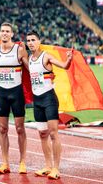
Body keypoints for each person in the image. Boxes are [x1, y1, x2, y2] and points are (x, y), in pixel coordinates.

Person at [26, 30, 73, 180]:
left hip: (49, 99)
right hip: (37, 101)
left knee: (53, 133)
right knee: (42, 134)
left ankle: (56, 168)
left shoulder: (45, 56)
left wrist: (69, 59)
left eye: (33, 40)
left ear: (39, 41)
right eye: (28, 41)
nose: (31, 43)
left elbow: (64, 66)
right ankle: (47, 166)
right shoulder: (29, 58)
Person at [0, 22, 29, 174]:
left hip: (16, 93)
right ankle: (5, 162)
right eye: (2, 31)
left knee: (20, 128)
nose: (5, 33)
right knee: (2, 129)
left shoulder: (19, 50)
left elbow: (30, 68)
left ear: (12, 34)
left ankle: (22, 161)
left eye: (8, 31)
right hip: (2, 93)